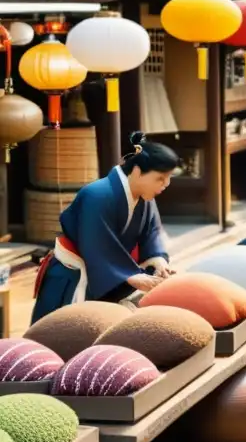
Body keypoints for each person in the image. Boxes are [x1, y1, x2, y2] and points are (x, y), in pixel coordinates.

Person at [31, 132, 180, 323]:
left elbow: (152, 233)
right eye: (160, 178)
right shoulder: (97, 195)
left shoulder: (145, 197)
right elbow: (96, 245)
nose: (166, 184)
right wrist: (128, 276)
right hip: (74, 275)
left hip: (106, 274)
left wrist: (157, 259)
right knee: (60, 335)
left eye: (168, 178)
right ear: (137, 171)